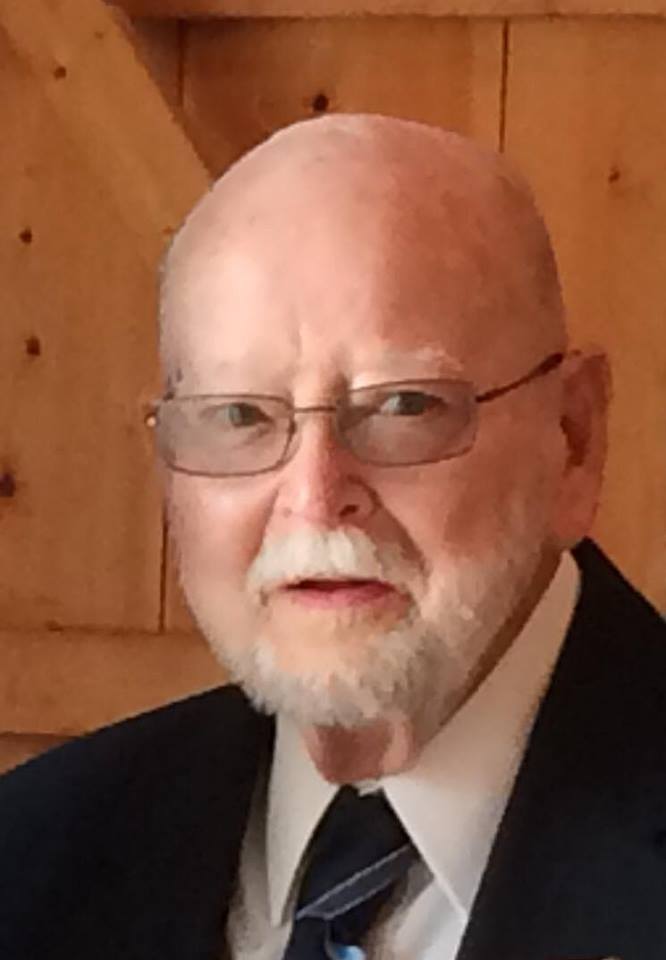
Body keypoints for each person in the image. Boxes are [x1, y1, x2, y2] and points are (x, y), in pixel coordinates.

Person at [0, 114, 664, 960]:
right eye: (238, 417)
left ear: (573, 439)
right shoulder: (31, 859)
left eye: (404, 406)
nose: (314, 500)